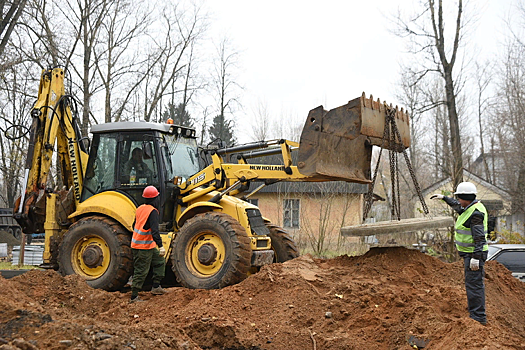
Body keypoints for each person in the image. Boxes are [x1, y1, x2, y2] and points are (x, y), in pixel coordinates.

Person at [430, 181, 488, 325]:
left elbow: (479, 239)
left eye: (459, 198)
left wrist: (476, 257)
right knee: (472, 285)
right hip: (470, 254)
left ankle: (478, 318)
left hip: (474, 255)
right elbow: (457, 206)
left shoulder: (475, 214)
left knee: (474, 286)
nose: (458, 201)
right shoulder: (470, 207)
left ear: (465, 197)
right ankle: (475, 314)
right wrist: (444, 198)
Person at [130, 185, 166, 303]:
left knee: (160, 262)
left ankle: (156, 287)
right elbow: (155, 232)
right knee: (141, 271)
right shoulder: (153, 212)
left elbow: (134, 225)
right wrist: (161, 246)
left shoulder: (140, 208)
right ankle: (134, 296)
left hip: (146, 245)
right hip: (142, 247)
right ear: (155, 199)